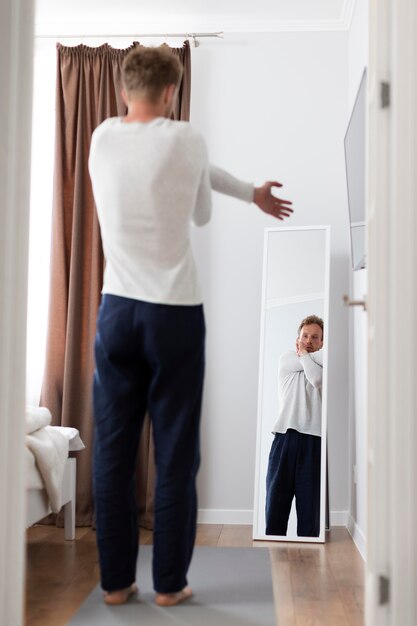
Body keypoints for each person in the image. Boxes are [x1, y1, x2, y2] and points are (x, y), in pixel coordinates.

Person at [88, 45, 293, 608]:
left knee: (112, 451)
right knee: (175, 452)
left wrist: (248, 191)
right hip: (173, 312)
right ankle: (171, 585)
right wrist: (241, 193)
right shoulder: (186, 139)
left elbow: (181, 175)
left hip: (117, 312)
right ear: (173, 91)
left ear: (124, 89)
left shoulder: (101, 138)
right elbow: (200, 210)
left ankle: (115, 583)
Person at [265, 315, 324, 537]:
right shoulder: (286, 358)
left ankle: (309, 562)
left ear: (321, 343)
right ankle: (271, 557)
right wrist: (308, 357)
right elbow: (316, 372)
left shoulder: (316, 363)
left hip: (313, 441)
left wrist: (307, 356)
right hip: (284, 439)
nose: (309, 340)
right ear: (296, 340)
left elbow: (316, 379)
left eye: (315, 337)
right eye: (305, 336)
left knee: (310, 511)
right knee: (275, 506)